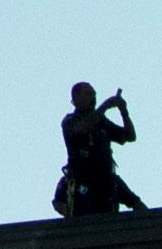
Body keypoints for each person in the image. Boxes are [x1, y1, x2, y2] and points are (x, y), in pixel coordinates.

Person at [55, 82, 144, 217]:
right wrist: (106, 105)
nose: (88, 98)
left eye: (91, 94)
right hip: (83, 185)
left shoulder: (101, 122)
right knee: (87, 222)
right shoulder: (70, 121)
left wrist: (124, 111)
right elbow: (83, 128)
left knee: (137, 204)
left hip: (106, 181)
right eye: (83, 94)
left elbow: (129, 136)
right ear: (74, 98)